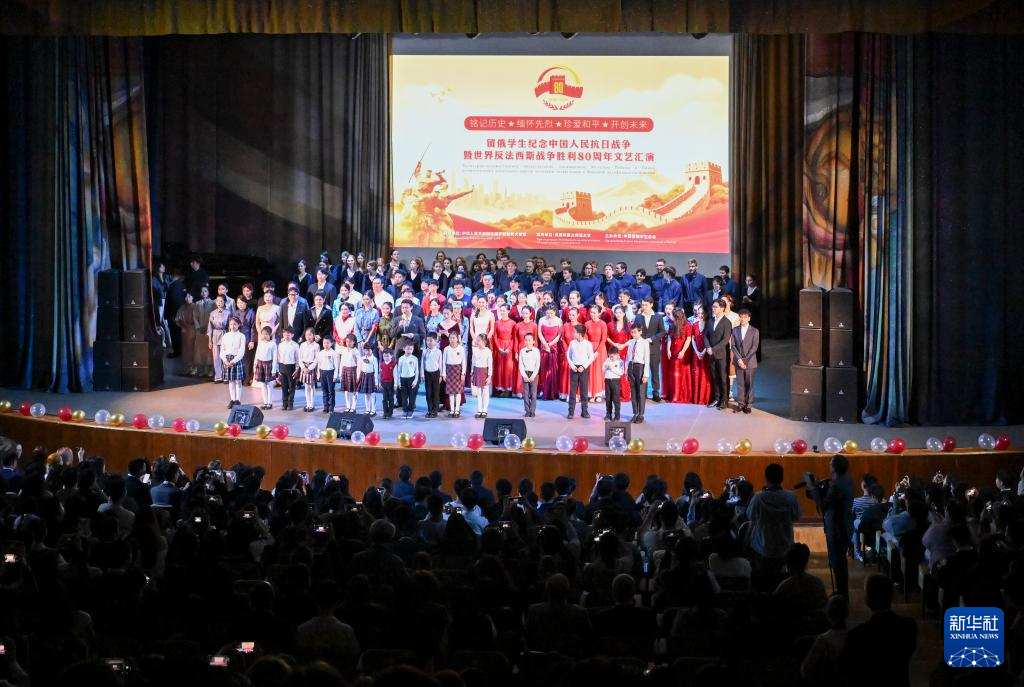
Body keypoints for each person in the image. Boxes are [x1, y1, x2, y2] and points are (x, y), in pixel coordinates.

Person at [841, 575, 917, 687]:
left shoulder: (856, 636)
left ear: (867, 600)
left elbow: (848, 673)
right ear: (891, 596)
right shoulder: (909, 626)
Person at [807, 454, 855, 598]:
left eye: (830, 463)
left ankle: (842, 596)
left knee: (837, 563)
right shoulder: (847, 479)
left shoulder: (837, 485)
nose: (829, 465)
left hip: (836, 529)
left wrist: (814, 489)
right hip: (845, 525)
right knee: (840, 562)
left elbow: (823, 506)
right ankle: (842, 593)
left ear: (834, 467)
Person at [747, 464, 802, 580]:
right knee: (782, 580)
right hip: (785, 547)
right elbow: (796, 516)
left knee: (764, 580)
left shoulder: (758, 498)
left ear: (766, 478)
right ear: (782, 478)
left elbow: (750, 516)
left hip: (762, 547)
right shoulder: (792, 497)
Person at [633, 297, 665, 402]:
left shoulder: (658, 317)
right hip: (641, 349)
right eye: (642, 305)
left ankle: (656, 392)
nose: (644, 307)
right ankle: (643, 393)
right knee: (642, 371)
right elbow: (636, 330)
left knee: (655, 371)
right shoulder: (638, 317)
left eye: (646, 305)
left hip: (653, 348)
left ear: (651, 304)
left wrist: (651, 339)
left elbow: (662, 332)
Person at [704, 299, 732, 410]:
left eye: (715, 307)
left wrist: (713, 349)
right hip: (711, 354)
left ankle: (724, 400)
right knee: (714, 377)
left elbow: (725, 339)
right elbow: (705, 335)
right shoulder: (710, 320)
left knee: (723, 378)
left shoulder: (727, 322)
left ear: (722, 308)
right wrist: (708, 347)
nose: (713, 309)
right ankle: (716, 398)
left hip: (721, 355)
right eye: (713, 306)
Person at [731, 308, 759, 414]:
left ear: (749, 318)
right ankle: (741, 404)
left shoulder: (755, 331)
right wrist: (739, 359)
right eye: (741, 317)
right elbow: (733, 346)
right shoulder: (735, 330)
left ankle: (748, 404)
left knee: (749, 384)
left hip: (750, 362)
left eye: (745, 317)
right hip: (738, 361)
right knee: (740, 384)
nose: (742, 319)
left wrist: (745, 360)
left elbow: (754, 347)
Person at [566, 324, 595, 419]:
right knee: (572, 391)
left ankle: (584, 411)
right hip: (574, 368)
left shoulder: (588, 344)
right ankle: (571, 411)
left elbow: (591, 357)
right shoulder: (572, 343)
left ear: (580, 334)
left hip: (583, 369)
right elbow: (568, 355)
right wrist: (572, 366)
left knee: (584, 391)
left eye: (575, 332)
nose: (573, 334)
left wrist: (584, 366)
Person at [625, 323, 650, 424]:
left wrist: (645, 374)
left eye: (635, 332)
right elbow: (628, 357)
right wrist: (626, 370)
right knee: (633, 392)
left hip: (640, 367)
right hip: (631, 366)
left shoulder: (645, 343)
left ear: (640, 332)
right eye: (632, 332)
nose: (633, 334)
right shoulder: (631, 342)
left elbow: (647, 359)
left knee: (641, 392)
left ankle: (641, 414)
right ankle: (635, 413)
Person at [606, 305, 632, 406]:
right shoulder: (610, 325)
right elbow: (607, 337)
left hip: (624, 350)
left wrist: (623, 345)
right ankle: (614, 395)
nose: (618, 314)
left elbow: (632, 338)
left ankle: (624, 394)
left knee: (623, 371)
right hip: (613, 351)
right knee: (613, 371)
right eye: (616, 313)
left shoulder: (628, 325)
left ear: (624, 314)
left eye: (620, 313)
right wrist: (614, 344)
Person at [219, 317, 246, 408]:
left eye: (235, 324)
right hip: (227, 359)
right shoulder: (225, 336)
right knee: (231, 381)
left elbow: (241, 351)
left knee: (238, 381)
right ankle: (232, 400)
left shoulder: (241, 336)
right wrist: (225, 360)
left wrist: (234, 361)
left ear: (239, 325)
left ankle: (238, 400)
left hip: (236, 360)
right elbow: (222, 350)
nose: (233, 326)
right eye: (231, 324)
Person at [666, 308, 692, 403]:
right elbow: (669, 337)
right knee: (674, 373)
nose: (671, 317)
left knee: (683, 373)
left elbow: (688, 339)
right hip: (674, 351)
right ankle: (674, 394)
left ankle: (682, 395)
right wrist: (668, 349)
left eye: (673, 315)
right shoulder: (672, 325)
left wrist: (683, 351)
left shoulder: (687, 325)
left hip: (682, 351)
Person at [538, 306, 563, 401]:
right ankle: (544, 390)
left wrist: (550, 344)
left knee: (553, 370)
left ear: (555, 312)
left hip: (554, 346)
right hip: (544, 346)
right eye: (548, 313)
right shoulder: (541, 320)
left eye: (551, 313)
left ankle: (553, 392)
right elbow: (539, 333)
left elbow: (559, 335)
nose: (549, 315)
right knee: (544, 369)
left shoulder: (559, 320)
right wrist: (545, 343)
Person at [584, 305, 608, 402]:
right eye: (591, 312)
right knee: (590, 371)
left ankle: (599, 394)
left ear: (599, 313)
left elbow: (604, 339)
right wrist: (588, 351)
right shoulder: (587, 324)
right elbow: (585, 338)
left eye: (594, 313)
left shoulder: (603, 324)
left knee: (599, 371)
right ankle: (591, 394)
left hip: (600, 349)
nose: (592, 314)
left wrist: (597, 352)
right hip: (590, 348)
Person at [492, 304, 517, 396]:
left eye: (504, 310)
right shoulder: (497, 323)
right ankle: (499, 388)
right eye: (501, 310)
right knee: (499, 368)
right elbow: (495, 336)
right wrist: (499, 348)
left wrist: (509, 349)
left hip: (509, 347)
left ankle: (507, 389)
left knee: (508, 368)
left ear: (508, 311)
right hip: (499, 346)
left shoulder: (513, 323)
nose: (502, 312)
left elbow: (514, 338)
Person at [206, 295, 232, 383]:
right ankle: (218, 376)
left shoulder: (228, 312)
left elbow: (230, 327)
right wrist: (210, 341)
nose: (219, 303)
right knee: (216, 357)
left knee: (225, 356)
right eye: (217, 301)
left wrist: (230, 338)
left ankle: (226, 376)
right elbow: (210, 328)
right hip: (215, 335)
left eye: (221, 301)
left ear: (224, 302)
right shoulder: (212, 313)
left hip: (225, 334)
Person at [253, 326, 279, 409]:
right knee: (263, 385)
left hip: (269, 365)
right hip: (260, 364)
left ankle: (269, 403)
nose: (264, 336)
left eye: (266, 334)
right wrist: (255, 365)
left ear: (270, 334)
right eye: (263, 334)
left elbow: (275, 357)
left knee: (269, 385)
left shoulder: (272, 344)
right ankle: (265, 402)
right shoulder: (260, 343)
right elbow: (257, 355)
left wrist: (274, 369)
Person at [192, 286, 215, 377]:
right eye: (202, 291)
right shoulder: (197, 303)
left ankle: (211, 369)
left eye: (205, 291)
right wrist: (198, 327)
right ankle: (203, 369)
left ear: (208, 292)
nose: (204, 293)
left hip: (209, 330)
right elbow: (195, 316)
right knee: (201, 350)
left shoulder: (213, 303)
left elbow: (213, 317)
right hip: (200, 330)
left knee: (209, 351)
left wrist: (208, 327)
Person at [443, 333, 467, 417]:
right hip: (449, 371)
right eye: (450, 338)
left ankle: (457, 410)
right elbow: (444, 362)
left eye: (454, 338)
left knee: (458, 392)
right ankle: (452, 410)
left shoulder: (461, 349)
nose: (452, 340)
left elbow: (464, 362)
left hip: (458, 371)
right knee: (451, 392)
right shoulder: (446, 349)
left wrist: (463, 373)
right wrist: (444, 373)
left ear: (457, 339)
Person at [470, 333, 493, 419]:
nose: (477, 342)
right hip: (477, 371)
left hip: (484, 371)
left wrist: (489, 376)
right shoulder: (475, 350)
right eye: (477, 340)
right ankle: (479, 410)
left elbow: (490, 365)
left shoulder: (488, 351)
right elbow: (473, 363)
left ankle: (484, 410)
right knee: (478, 392)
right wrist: (472, 373)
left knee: (485, 391)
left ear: (484, 342)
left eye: (478, 340)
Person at [277, 326, 299, 411]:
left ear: (292, 335)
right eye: (285, 334)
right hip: (282, 366)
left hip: (291, 367)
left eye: (288, 334)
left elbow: (297, 358)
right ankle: (284, 403)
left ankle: (290, 403)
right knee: (284, 386)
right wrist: (278, 369)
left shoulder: (295, 345)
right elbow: (278, 357)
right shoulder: (280, 345)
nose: (286, 336)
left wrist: (297, 368)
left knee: (291, 386)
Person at [518, 332, 540, 418]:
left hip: (534, 374)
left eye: (529, 340)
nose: (527, 342)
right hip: (525, 373)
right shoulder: (522, 351)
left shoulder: (536, 351)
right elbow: (521, 365)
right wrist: (524, 375)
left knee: (533, 394)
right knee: (526, 393)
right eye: (526, 340)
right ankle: (527, 410)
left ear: (533, 341)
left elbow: (537, 365)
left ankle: (532, 411)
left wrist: (533, 375)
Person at [395, 342, 419, 420]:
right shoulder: (401, 358)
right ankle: (405, 410)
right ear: (404, 349)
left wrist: (415, 381)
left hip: (411, 379)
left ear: (413, 349)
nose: (409, 351)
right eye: (407, 349)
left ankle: (410, 410)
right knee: (404, 397)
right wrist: (398, 381)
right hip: (403, 379)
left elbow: (417, 371)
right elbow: (399, 371)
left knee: (412, 397)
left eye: (411, 349)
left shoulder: (415, 358)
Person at [298, 327, 320, 412]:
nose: (308, 337)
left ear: (314, 335)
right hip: (304, 367)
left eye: (310, 335)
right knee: (306, 386)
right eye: (306, 335)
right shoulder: (302, 345)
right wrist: (303, 367)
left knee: (311, 386)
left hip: (311, 367)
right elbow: (300, 358)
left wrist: (310, 368)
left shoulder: (316, 345)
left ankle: (312, 404)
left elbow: (316, 359)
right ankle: (308, 404)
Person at [174, 292, 197, 375]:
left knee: (192, 348)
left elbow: (198, 319)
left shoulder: (195, 306)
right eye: (186, 297)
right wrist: (182, 325)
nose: (188, 298)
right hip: (184, 330)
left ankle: (194, 367)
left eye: (189, 296)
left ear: (193, 297)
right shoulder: (182, 307)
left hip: (193, 329)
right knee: (185, 349)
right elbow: (177, 319)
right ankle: (188, 367)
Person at [336, 334, 360, 413]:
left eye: (350, 342)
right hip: (345, 371)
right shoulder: (344, 350)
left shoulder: (356, 351)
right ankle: (348, 406)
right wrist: (340, 374)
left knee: (354, 390)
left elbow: (359, 364)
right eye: (347, 341)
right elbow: (341, 362)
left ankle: (353, 407)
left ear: (354, 342)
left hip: (353, 371)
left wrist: (358, 375)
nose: (348, 343)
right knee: (346, 390)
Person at [355, 340, 379, 416]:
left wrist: (376, 382)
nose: (367, 352)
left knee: (372, 394)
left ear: (372, 350)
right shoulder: (361, 358)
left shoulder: (374, 359)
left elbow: (376, 371)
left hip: (371, 377)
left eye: (369, 350)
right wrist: (358, 377)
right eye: (365, 350)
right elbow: (359, 368)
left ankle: (373, 410)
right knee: (366, 394)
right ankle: (367, 409)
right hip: (364, 376)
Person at [421, 333, 443, 418]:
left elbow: (440, 364)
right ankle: (429, 410)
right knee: (428, 393)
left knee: (436, 393)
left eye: (431, 340)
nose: (429, 342)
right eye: (427, 340)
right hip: (427, 374)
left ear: (436, 341)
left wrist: (441, 375)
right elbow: (422, 363)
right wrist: (422, 374)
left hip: (436, 373)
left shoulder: (438, 352)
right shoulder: (424, 351)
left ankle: (435, 410)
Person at [602, 344, 624, 421]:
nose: (611, 358)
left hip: (615, 381)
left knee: (616, 399)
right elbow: (603, 369)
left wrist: (612, 368)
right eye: (610, 356)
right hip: (607, 381)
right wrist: (606, 368)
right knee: (608, 399)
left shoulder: (620, 362)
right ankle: (608, 414)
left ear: (617, 354)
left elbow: (621, 372)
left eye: (612, 356)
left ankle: (617, 416)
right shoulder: (607, 360)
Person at [317, 337, 338, 413]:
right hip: (322, 372)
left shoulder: (334, 353)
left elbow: (336, 366)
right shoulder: (320, 353)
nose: (326, 344)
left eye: (327, 343)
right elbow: (319, 365)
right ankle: (326, 407)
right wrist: (318, 374)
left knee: (331, 391)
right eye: (324, 343)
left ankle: (331, 407)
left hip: (330, 373)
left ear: (331, 343)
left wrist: (335, 376)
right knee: (324, 391)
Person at [380, 348, 397, 419]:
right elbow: (381, 374)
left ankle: (390, 412)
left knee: (391, 399)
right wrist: (380, 382)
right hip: (384, 383)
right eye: (384, 356)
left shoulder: (394, 364)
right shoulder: (382, 364)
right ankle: (385, 412)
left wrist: (395, 384)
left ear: (391, 356)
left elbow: (395, 375)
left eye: (387, 356)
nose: (386, 357)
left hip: (391, 383)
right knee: (384, 399)